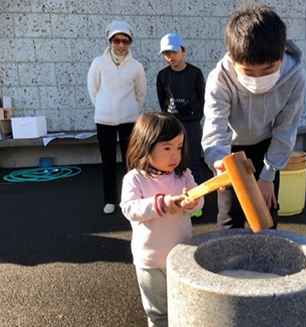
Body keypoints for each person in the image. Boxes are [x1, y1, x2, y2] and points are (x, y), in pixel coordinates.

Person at [201, 3, 306, 230]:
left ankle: (266, 265)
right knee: (230, 220)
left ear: (282, 53)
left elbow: (286, 128)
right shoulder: (220, 78)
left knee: (266, 215)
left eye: (268, 70)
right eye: (248, 72)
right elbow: (215, 125)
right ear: (232, 56)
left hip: (266, 147)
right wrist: (219, 164)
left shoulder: (295, 75)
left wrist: (268, 175)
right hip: (230, 151)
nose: (258, 79)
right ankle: (229, 265)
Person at [120, 111, 204, 327]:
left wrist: (192, 203)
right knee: (158, 314)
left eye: (179, 147)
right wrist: (160, 203)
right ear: (145, 146)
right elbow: (130, 209)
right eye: (167, 148)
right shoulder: (135, 178)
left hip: (182, 257)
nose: (174, 155)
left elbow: (199, 201)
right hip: (150, 260)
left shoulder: (183, 175)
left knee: (185, 307)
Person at [87, 20, 147, 215]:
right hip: (104, 120)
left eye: (125, 41)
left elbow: (140, 93)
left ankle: (130, 198)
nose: (121, 45)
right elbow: (93, 89)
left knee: (130, 161)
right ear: (110, 41)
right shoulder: (98, 63)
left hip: (129, 120)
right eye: (116, 40)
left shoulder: (136, 66)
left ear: (130, 43)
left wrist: (130, 109)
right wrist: (104, 107)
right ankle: (110, 199)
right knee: (108, 161)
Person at [156, 33, 205, 189]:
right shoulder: (162, 76)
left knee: (193, 161)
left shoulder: (195, 73)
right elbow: (162, 99)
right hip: (172, 124)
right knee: (172, 162)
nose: (170, 57)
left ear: (183, 50)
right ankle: (177, 196)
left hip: (192, 123)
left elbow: (202, 97)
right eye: (166, 53)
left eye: (174, 52)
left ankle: (197, 201)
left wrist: (197, 116)